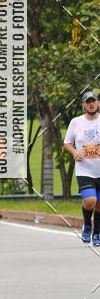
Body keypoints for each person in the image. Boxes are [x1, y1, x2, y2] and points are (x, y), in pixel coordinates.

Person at [64, 91, 100, 246]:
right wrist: (74, 153)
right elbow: (67, 143)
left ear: (98, 103)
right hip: (85, 169)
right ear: (83, 105)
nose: (91, 104)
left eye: (93, 101)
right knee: (90, 200)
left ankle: (97, 233)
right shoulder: (76, 122)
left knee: (99, 204)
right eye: (87, 102)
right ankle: (86, 225)